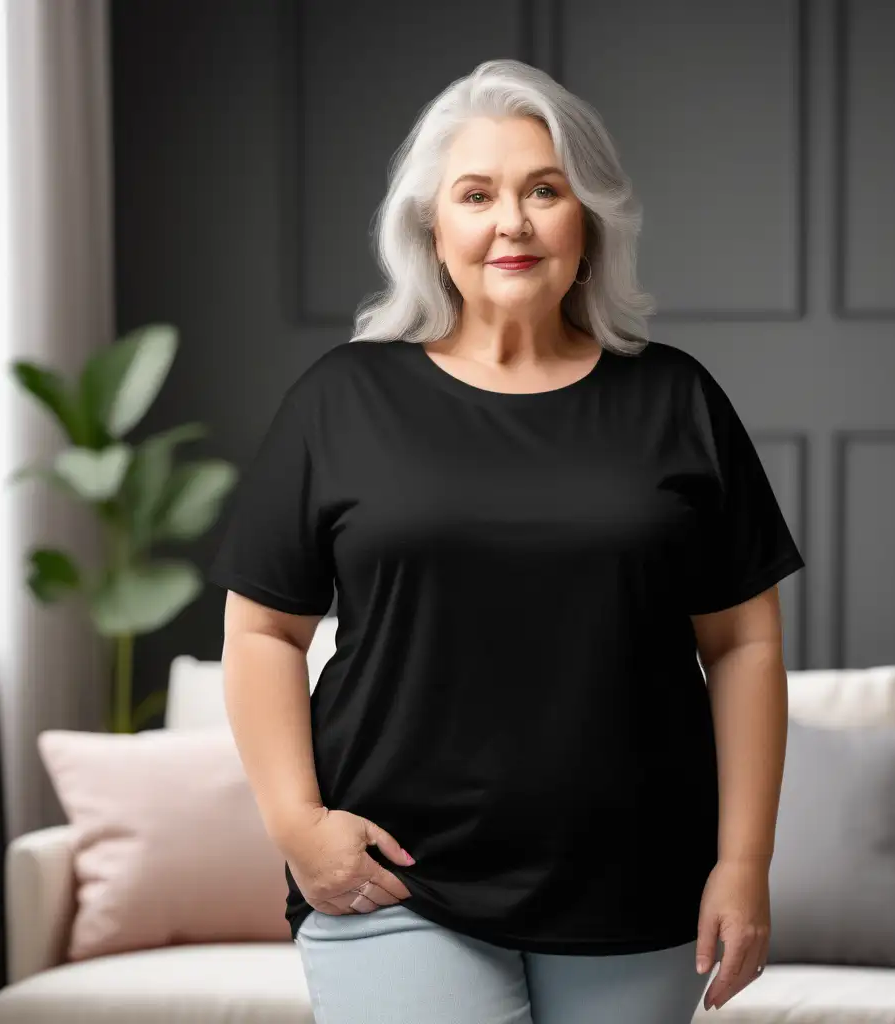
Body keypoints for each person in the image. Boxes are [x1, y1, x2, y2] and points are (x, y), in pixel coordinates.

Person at [208, 57, 804, 1024]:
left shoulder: (676, 398)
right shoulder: (343, 398)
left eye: (544, 190)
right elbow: (263, 632)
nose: (512, 223)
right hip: (397, 879)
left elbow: (744, 644)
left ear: (590, 219)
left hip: (639, 882)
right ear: (432, 229)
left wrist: (744, 864)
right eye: (476, 194)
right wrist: (298, 827)